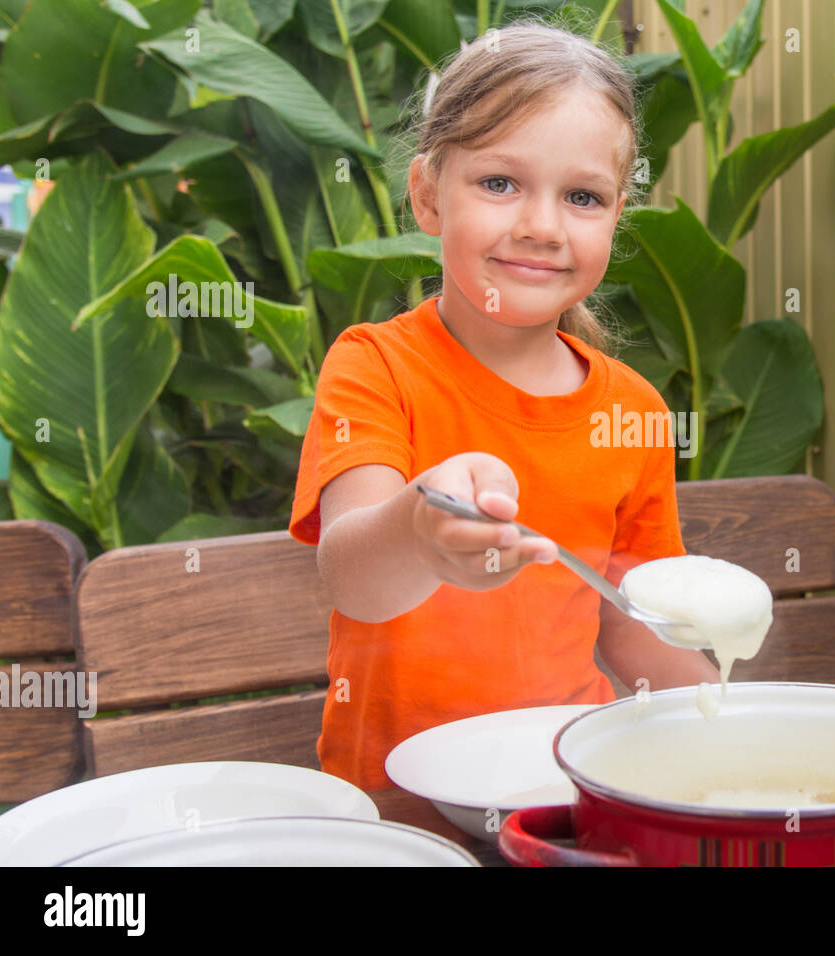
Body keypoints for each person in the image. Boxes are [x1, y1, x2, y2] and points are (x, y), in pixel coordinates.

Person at [288, 21, 719, 791]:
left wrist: (734, 728)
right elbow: (352, 577)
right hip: (397, 809)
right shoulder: (375, 366)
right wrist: (421, 533)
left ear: (616, 217)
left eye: (582, 196)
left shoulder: (634, 410)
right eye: (499, 183)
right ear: (427, 195)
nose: (542, 227)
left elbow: (632, 624)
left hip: (562, 795)